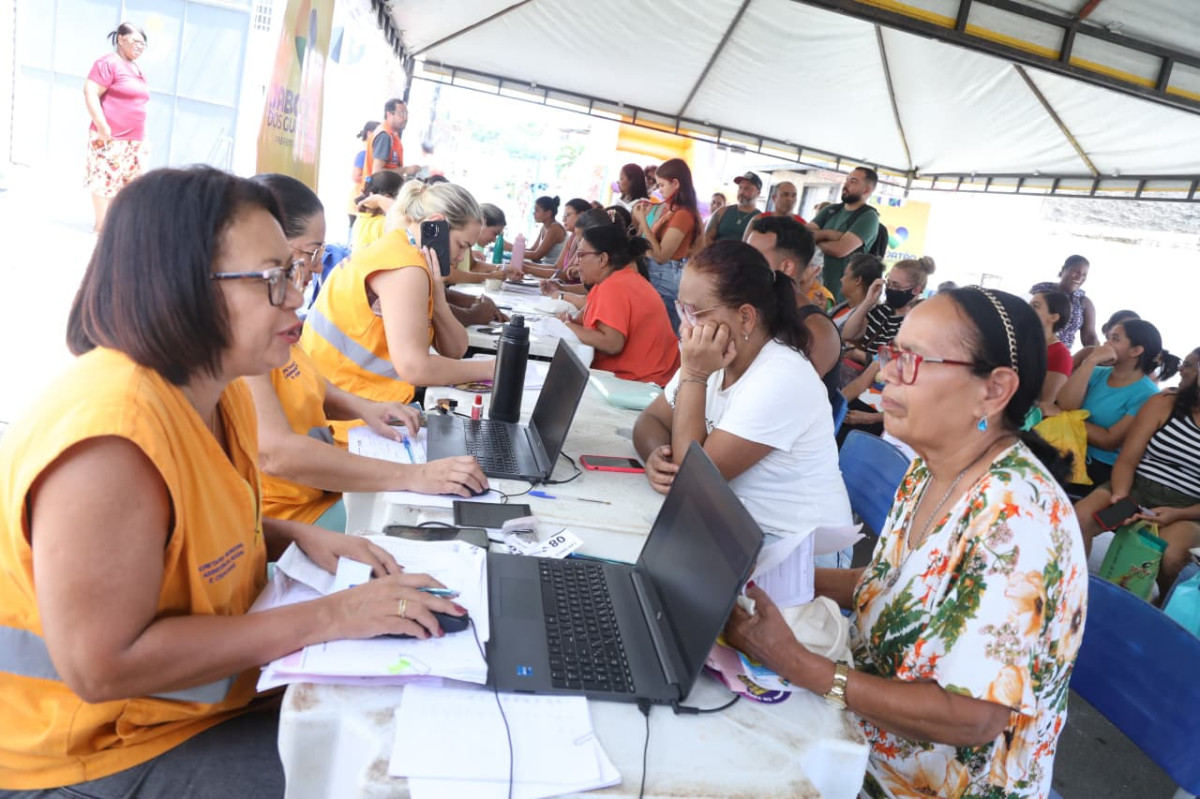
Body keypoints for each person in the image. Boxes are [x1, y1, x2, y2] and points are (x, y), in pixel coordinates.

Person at [0, 167, 466, 798]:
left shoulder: (219, 394)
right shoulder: (110, 439)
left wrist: (293, 537)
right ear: (180, 286)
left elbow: (182, 530)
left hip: (194, 704)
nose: (297, 297)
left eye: (297, 272)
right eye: (274, 279)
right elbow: (103, 665)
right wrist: (333, 614)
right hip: (97, 750)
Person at [725, 287, 1086, 799]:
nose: (888, 371)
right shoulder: (933, 467)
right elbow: (894, 584)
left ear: (994, 389)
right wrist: (754, 576)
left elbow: (974, 718)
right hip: (861, 735)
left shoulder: (1019, 518)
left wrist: (801, 666)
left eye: (914, 360)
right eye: (893, 352)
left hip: (928, 784)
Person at [247, 173, 488, 528]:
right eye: (310, 255)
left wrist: (366, 408)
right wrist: (415, 476)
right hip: (294, 504)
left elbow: (304, 385)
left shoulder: (273, 321)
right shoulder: (243, 335)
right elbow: (275, 453)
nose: (315, 271)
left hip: (318, 482)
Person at [632, 241, 852, 587]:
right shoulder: (715, 352)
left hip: (798, 552)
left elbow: (695, 480)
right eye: (681, 309)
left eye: (695, 313)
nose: (684, 326)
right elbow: (650, 421)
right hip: (734, 527)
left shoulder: (780, 376)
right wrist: (656, 458)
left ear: (745, 316)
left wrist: (694, 375)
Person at [300, 180, 495, 442]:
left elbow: (455, 349)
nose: (463, 256)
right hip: (345, 421)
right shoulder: (405, 268)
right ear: (436, 225)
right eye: (463, 245)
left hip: (346, 405)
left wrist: (437, 289)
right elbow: (415, 368)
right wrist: (494, 368)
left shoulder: (403, 251)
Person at [1073, 348, 1200, 592]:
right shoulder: (1165, 403)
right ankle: (1074, 592)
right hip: (1135, 491)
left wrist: (1176, 514)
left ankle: (1162, 608)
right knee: (1081, 519)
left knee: (1172, 556)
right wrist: (1122, 497)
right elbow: (1128, 459)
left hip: (1186, 508)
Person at [556, 223, 680, 387]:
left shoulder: (615, 285)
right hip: (645, 379)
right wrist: (570, 323)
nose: (577, 263)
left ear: (602, 259)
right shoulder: (607, 282)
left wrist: (567, 325)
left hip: (644, 385)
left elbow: (612, 343)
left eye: (581, 255)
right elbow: (582, 321)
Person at [1053, 319, 1169, 487]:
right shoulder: (1097, 372)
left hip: (1097, 466)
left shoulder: (1148, 395)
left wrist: (1065, 417)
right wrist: (1090, 362)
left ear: (1136, 350)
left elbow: (1109, 440)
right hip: (1066, 447)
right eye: (1108, 337)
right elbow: (1066, 404)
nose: (1106, 343)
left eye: (1115, 339)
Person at [839, 257, 936, 435]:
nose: (891, 290)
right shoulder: (881, 312)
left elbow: (914, 402)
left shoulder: (913, 332)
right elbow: (848, 334)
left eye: (897, 286)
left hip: (884, 412)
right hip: (865, 396)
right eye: (889, 283)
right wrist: (868, 301)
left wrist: (870, 419)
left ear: (916, 290)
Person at [745, 215, 841, 384]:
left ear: (786, 267)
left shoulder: (816, 330)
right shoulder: (752, 307)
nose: (742, 262)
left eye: (754, 256)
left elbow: (786, 395)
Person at [82, 22, 149, 232]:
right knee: (104, 180)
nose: (140, 46)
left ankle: (117, 225)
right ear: (120, 38)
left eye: (143, 44)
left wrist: (143, 138)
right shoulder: (108, 63)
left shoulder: (136, 68)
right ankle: (101, 227)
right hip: (110, 136)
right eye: (136, 41)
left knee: (128, 183)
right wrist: (102, 126)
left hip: (133, 140)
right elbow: (90, 91)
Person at [632, 157, 702, 332]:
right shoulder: (669, 210)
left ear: (676, 184)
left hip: (666, 276)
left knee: (659, 330)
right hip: (657, 272)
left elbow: (662, 256)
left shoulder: (683, 214)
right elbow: (646, 244)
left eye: (662, 185)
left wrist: (643, 221)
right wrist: (643, 221)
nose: (659, 190)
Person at [807, 167, 882, 300]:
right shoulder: (831, 210)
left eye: (853, 181)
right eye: (847, 180)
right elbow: (803, 234)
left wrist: (815, 238)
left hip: (840, 296)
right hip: (813, 288)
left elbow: (840, 250)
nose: (846, 185)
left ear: (867, 190)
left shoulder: (868, 216)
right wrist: (829, 234)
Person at [1030, 255, 1097, 350]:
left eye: (1084, 275)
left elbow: (1089, 338)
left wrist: (1098, 356)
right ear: (1064, 269)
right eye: (1076, 272)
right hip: (1031, 347)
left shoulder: (1084, 302)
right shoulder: (1040, 290)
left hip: (1060, 356)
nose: (1079, 277)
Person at [517, 198, 589, 276]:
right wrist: (526, 265)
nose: (563, 219)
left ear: (582, 215)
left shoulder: (556, 229)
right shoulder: (572, 237)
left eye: (567, 215)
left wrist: (526, 268)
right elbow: (557, 267)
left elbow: (565, 275)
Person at [1029, 290, 1073, 408]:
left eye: (1035, 306)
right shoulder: (1021, 341)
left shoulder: (1060, 355)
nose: (1028, 309)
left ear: (1053, 317)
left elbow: (1045, 403)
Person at [364, 98, 419, 179]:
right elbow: (377, 172)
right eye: (402, 113)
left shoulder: (393, 136)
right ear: (389, 114)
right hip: (377, 189)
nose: (406, 118)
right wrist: (406, 170)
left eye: (407, 113)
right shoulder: (384, 136)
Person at [351, 170, 404, 251]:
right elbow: (405, 220)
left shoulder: (361, 218)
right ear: (387, 197)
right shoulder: (383, 224)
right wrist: (380, 200)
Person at [704, 171, 762, 245]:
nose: (741, 192)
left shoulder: (760, 219)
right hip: (716, 254)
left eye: (747, 188)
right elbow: (707, 239)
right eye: (740, 187)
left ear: (758, 193)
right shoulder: (722, 212)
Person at [829, 252, 884, 328]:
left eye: (845, 274)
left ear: (857, 280)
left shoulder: (869, 318)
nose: (841, 279)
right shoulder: (841, 307)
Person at [1072, 309, 1139, 371]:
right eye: (1116, 337)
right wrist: (1091, 360)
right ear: (1108, 333)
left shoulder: (1140, 366)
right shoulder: (1088, 353)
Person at [347, 120, 379, 228]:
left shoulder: (371, 152)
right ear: (370, 134)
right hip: (358, 201)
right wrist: (371, 179)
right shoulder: (364, 153)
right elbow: (356, 176)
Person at [521, 195, 568, 265]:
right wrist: (514, 249)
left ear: (548, 213)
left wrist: (512, 249)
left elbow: (536, 256)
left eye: (537, 210)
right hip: (544, 266)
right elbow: (533, 250)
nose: (534, 213)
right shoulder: (545, 227)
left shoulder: (555, 229)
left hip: (551, 270)